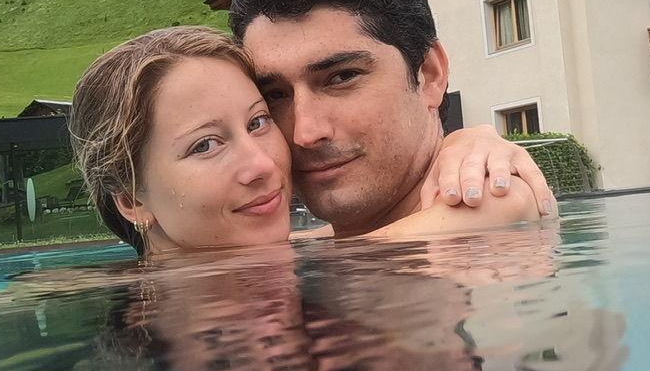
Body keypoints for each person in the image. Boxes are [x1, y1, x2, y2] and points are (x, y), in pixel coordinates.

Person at [69, 24, 549, 256]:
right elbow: (503, 206)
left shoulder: (286, 256)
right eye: (205, 145)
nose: (262, 165)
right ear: (131, 200)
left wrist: (460, 146)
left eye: (259, 121)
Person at [229, 0, 556, 238]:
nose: (305, 134)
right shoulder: (307, 249)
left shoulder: (498, 221)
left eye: (341, 77)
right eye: (274, 95)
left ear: (429, 74)